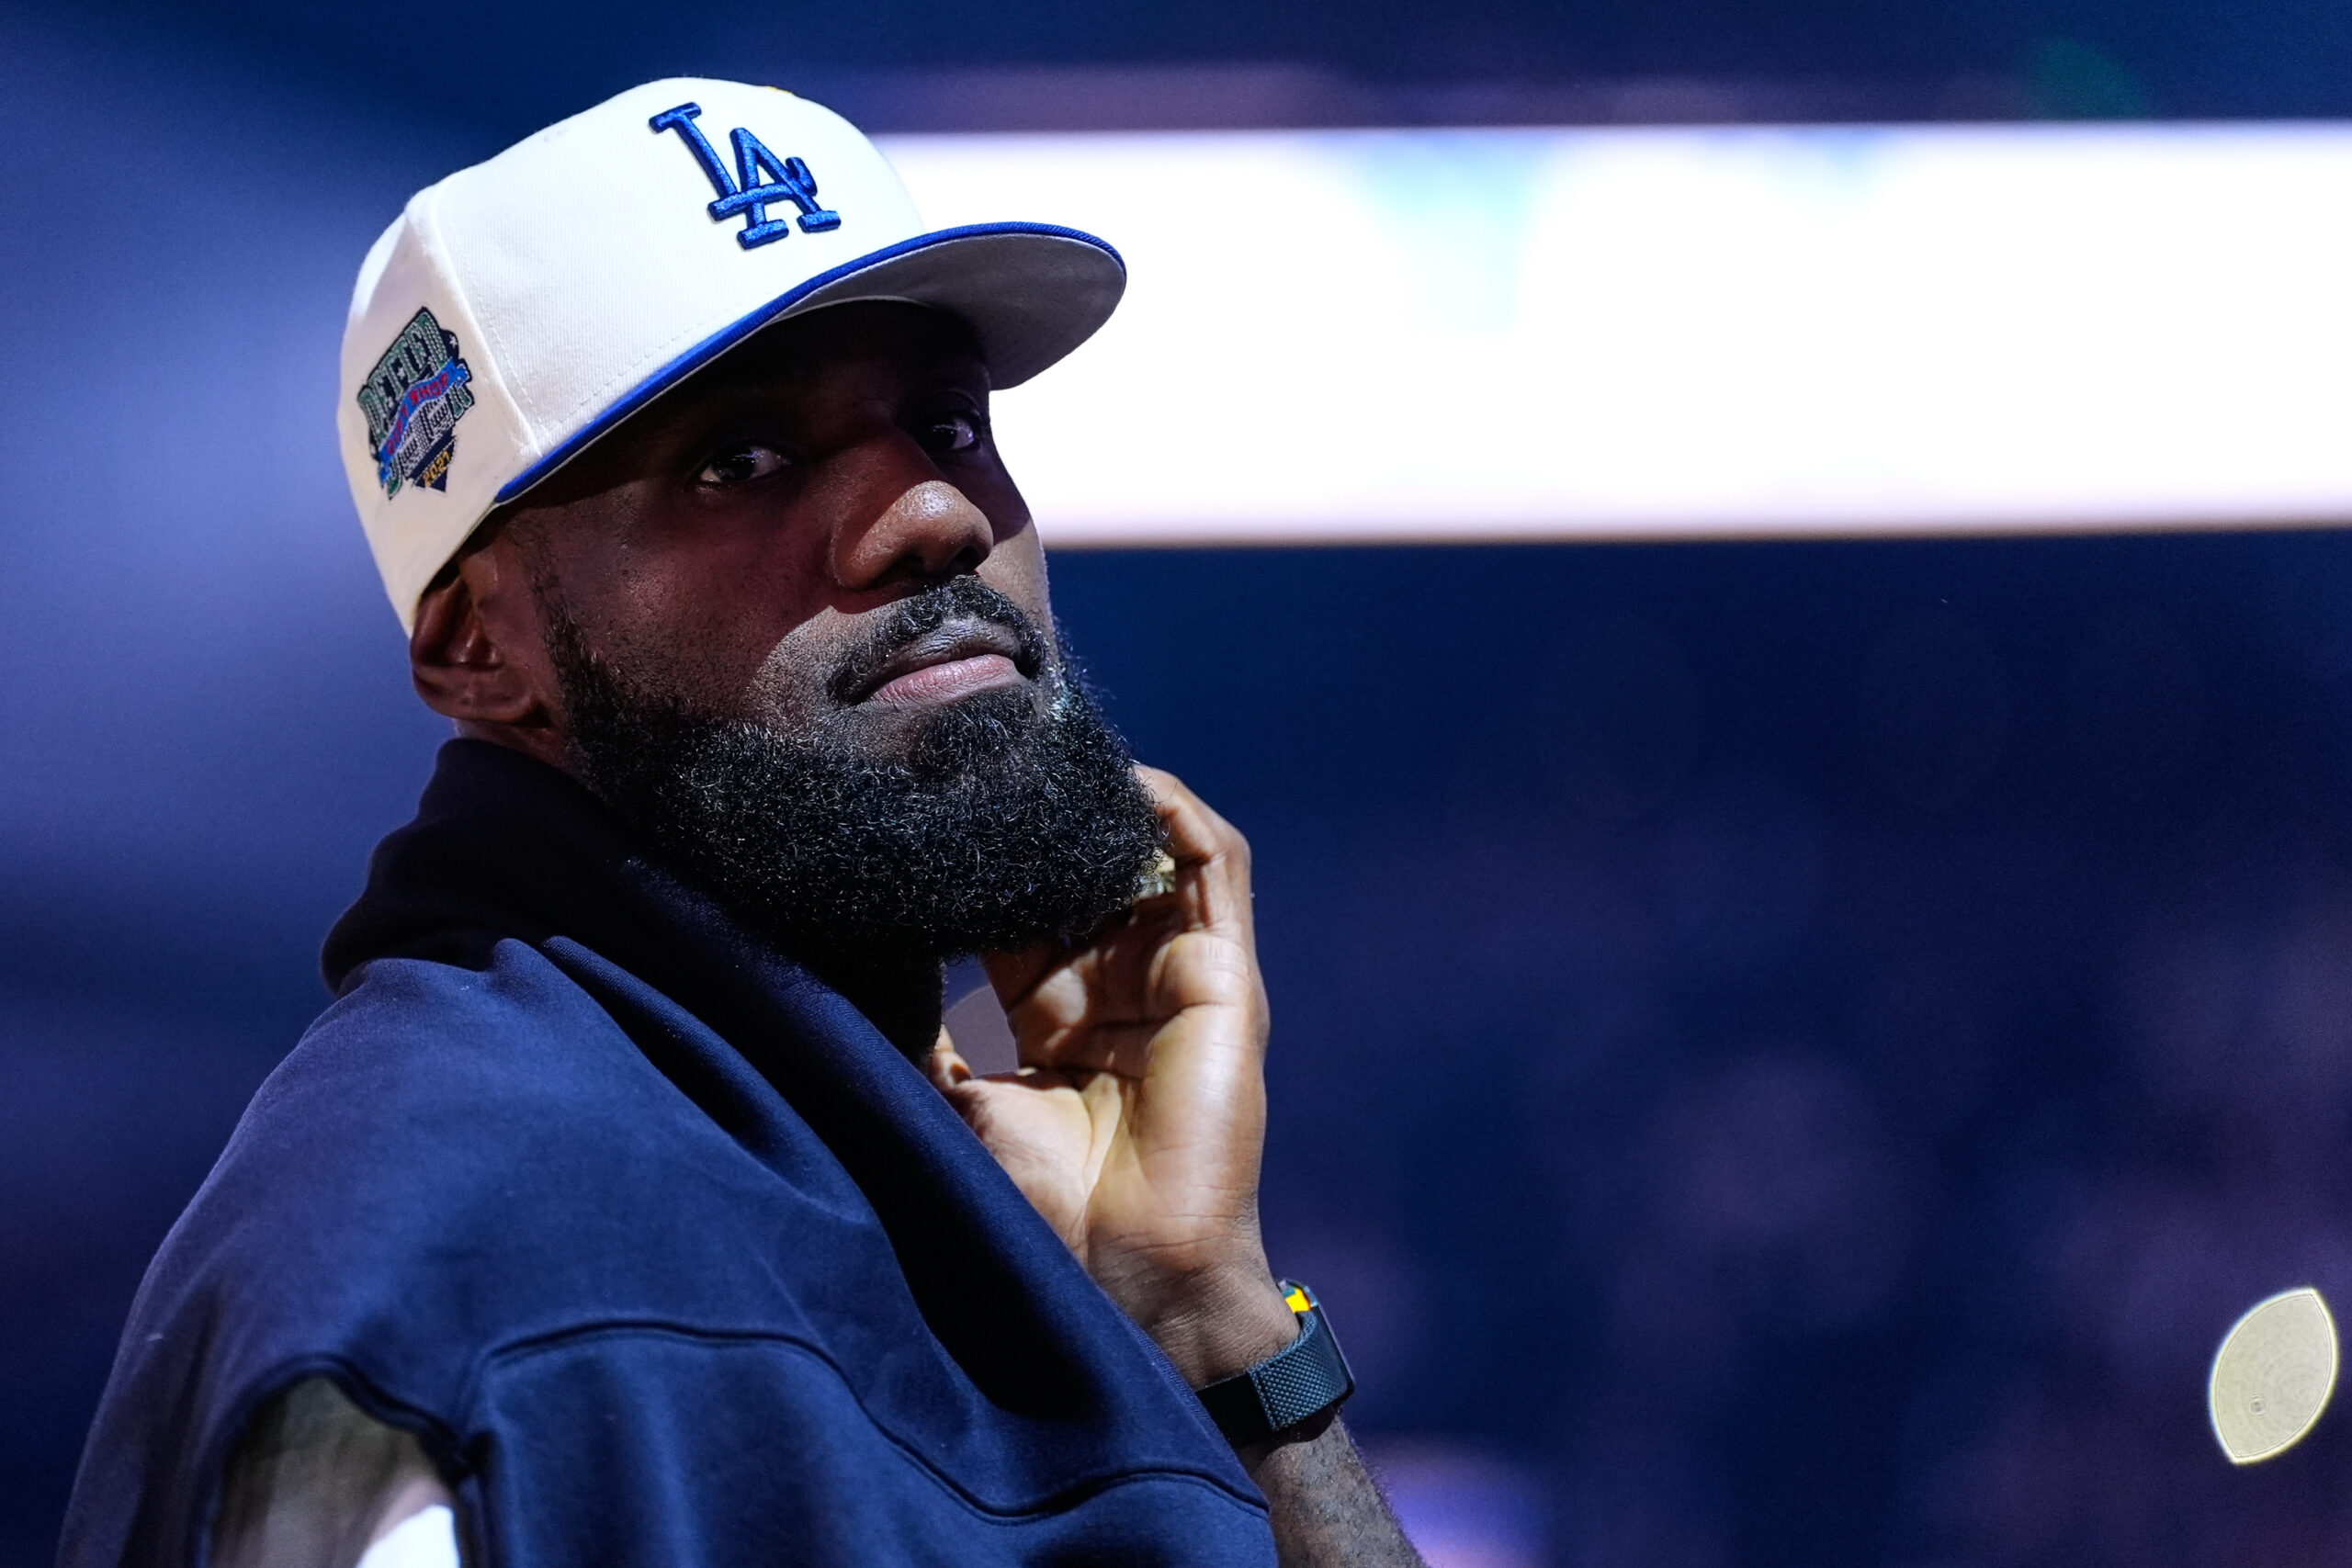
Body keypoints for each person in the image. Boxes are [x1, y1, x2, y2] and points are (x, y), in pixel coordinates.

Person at [56, 78, 1423, 1568]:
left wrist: (1212, 1322)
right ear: (479, 649)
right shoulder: (443, 1274)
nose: (938, 517)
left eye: (947, 422)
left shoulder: (940, 1188)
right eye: (742, 459)